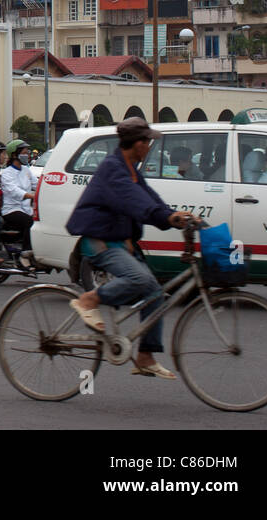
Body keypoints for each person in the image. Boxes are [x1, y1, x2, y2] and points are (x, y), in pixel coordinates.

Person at [67, 118, 194, 379]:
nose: (150, 147)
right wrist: (165, 217)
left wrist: (172, 216)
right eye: (147, 142)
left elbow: (150, 199)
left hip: (119, 241)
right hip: (100, 241)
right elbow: (136, 202)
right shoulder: (114, 169)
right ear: (138, 144)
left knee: (155, 293)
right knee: (139, 279)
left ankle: (145, 357)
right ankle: (88, 299)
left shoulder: (131, 169)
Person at [0, 139, 36, 258]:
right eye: (24, 153)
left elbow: (36, 184)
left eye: (27, 152)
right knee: (29, 222)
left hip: (26, 208)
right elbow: (13, 190)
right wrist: (30, 195)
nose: (27, 155)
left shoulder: (26, 170)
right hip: (11, 209)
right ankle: (26, 252)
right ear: (15, 155)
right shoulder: (6, 173)